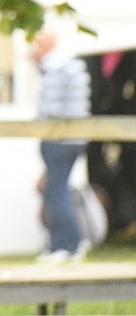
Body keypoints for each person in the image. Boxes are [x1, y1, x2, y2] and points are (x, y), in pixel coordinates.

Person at [32, 28, 92, 263]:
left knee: (56, 191)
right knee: (59, 189)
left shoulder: (55, 69)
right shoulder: (73, 65)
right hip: (76, 138)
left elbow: (51, 109)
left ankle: (65, 245)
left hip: (58, 139)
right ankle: (70, 243)